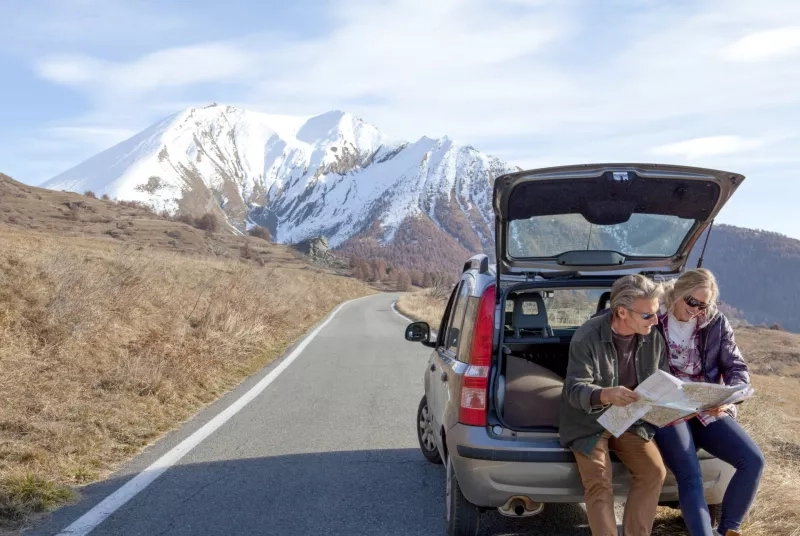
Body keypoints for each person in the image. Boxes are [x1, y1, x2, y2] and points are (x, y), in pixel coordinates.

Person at [654, 268, 764, 536]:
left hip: (706, 405)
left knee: (753, 461)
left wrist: (729, 398)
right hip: (667, 407)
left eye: (704, 306)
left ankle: (727, 530)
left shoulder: (715, 323)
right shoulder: (653, 318)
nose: (697, 311)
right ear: (677, 293)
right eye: (692, 303)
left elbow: (736, 367)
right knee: (691, 475)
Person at [560, 274, 668, 536]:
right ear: (622, 312)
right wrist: (606, 394)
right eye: (647, 315)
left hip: (630, 418)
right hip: (588, 421)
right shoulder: (587, 336)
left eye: (656, 313)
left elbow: (661, 377)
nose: (655, 320)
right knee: (599, 484)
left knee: (654, 472)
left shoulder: (653, 337)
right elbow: (573, 390)